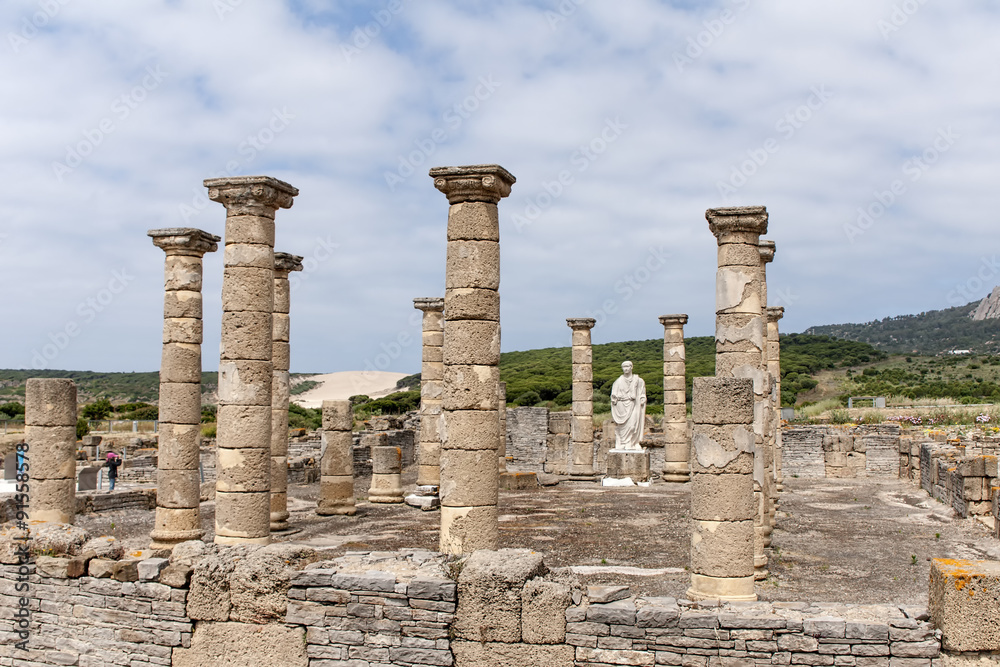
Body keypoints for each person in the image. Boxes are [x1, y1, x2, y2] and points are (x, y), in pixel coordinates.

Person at [610, 360, 647, 450]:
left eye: (628, 366)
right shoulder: (618, 382)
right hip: (622, 406)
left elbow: (642, 392)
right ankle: (623, 443)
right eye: (624, 367)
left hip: (634, 405)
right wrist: (615, 398)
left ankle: (633, 442)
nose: (626, 369)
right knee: (622, 427)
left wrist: (642, 398)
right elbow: (613, 396)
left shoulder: (639, 380)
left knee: (633, 426)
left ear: (631, 367)